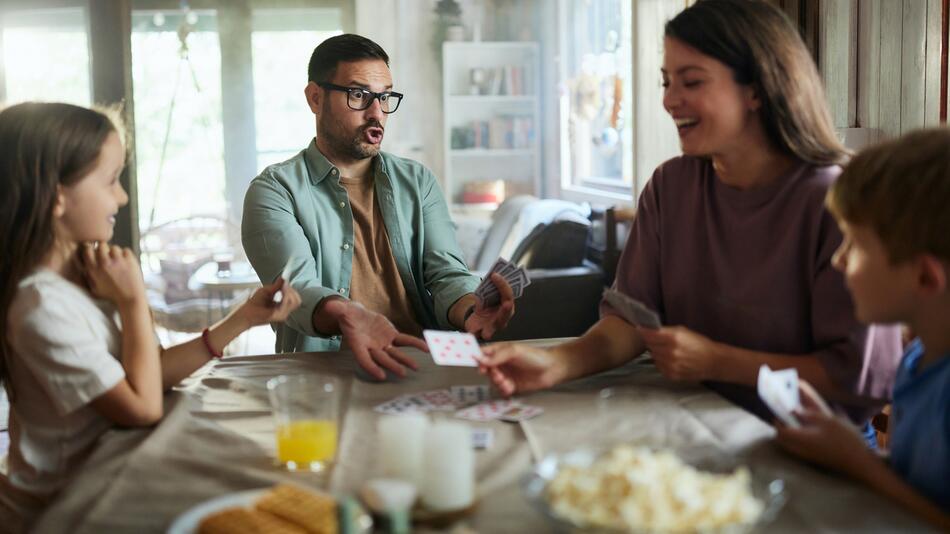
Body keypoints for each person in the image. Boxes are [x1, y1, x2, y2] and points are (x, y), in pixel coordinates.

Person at [478, 0, 901, 425]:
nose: (669, 100)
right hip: (691, 420)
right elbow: (628, 321)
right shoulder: (669, 186)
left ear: (756, 88)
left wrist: (718, 361)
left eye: (692, 82)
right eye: (666, 82)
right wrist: (556, 363)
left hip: (813, 448)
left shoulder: (837, 201)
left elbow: (858, 379)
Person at [0, 102, 301, 529]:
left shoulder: (82, 275)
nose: (121, 196)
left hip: (112, 464)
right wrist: (133, 300)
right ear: (57, 197)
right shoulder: (39, 307)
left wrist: (244, 317)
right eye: (110, 181)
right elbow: (142, 407)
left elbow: (147, 372)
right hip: (61, 502)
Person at [242, 34, 514, 380]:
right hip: (328, 374)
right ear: (315, 97)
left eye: (385, 97)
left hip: (424, 363)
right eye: (359, 95)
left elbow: (447, 274)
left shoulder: (418, 181)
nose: (377, 113)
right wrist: (348, 315)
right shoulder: (275, 191)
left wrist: (472, 308)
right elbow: (296, 293)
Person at [775, 129, 950, 529]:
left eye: (853, 244)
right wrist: (844, 443)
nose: (838, 261)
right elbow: (924, 485)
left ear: (924, 277)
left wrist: (860, 464)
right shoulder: (917, 360)